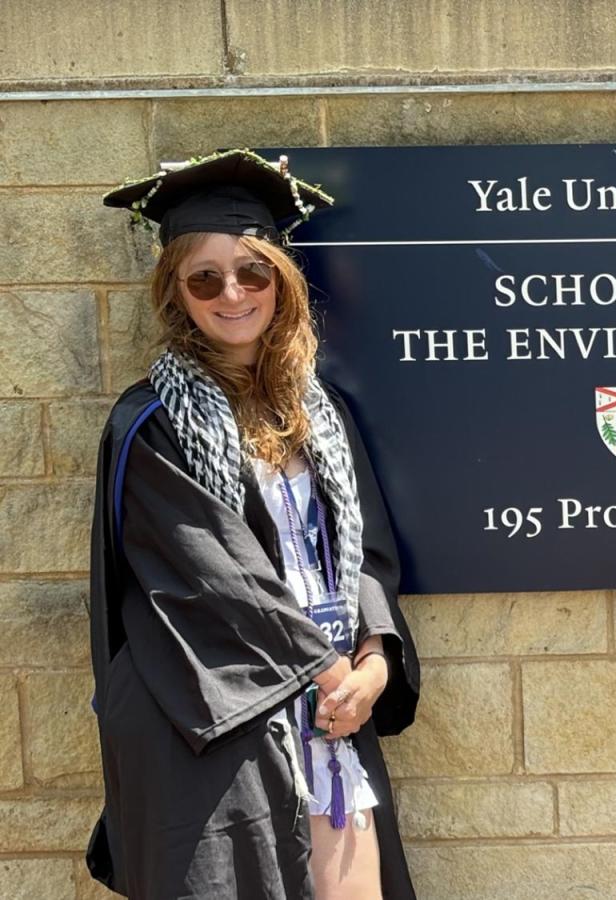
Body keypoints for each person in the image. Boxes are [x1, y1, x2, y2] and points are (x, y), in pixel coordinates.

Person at [88, 149, 422, 899]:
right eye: (204, 277)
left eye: (251, 271)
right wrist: (333, 673)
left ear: (281, 279)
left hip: (333, 711)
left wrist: (375, 660)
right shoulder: (151, 425)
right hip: (217, 725)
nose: (231, 292)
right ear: (177, 293)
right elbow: (217, 578)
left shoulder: (318, 414)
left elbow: (364, 553)